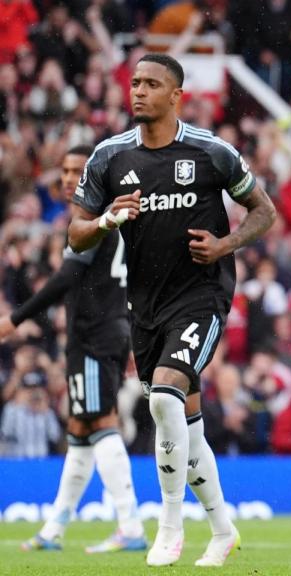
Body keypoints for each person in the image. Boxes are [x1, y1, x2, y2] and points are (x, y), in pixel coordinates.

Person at [67, 53, 277, 567]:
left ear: (175, 94)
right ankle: (224, 530)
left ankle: (169, 525)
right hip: (146, 306)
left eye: (151, 84)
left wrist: (225, 246)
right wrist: (107, 220)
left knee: (163, 398)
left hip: (202, 296)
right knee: (187, 425)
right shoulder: (109, 157)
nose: (138, 91)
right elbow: (75, 233)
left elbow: (264, 211)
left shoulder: (210, 152)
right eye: (134, 82)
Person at [7, 146, 147, 554]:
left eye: (76, 171)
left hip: (93, 334)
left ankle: (131, 525)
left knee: (101, 422)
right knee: (81, 430)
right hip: (108, 328)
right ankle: (54, 528)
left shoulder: (91, 219)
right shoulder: (112, 216)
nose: (69, 179)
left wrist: (13, 320)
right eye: (64, 172)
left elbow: (66, 277)